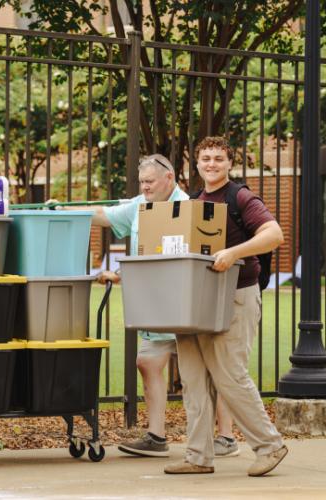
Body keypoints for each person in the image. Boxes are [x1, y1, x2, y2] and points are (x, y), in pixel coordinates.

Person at [52, 154, 239, 458]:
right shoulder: (140, 205)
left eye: (150, 181)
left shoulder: (191, 207)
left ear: (168, 179)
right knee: (147, 363)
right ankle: (156, 436)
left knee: (211, 369)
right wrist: (63, 209)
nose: (145, 187)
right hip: (155, 303)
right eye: (141, 182)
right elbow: (104, 214)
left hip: (187, 303)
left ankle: (227, 437)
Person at [164, 136, 288, 477]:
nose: (212, 164)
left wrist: (234, 252)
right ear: (197, 162)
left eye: (219, 158)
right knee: (192, 379)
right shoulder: (194, 201)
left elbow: (274, 234)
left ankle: (270, 446)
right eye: (206, 158)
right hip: (197, 300)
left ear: (229, 163)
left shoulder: (240, 197)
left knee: (229, 375)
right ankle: (198, 456)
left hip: (236, 294)